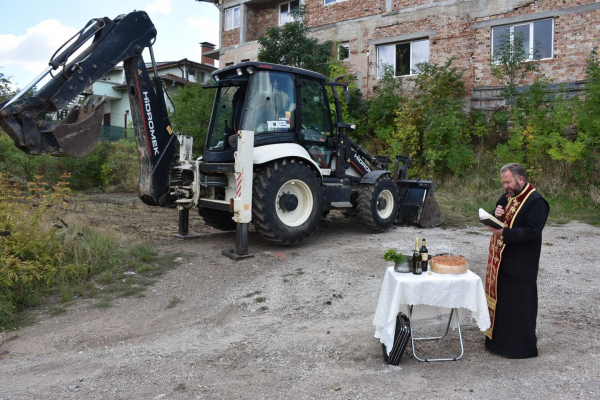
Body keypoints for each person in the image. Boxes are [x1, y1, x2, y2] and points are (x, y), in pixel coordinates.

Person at [484, 163, 550, 358]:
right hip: (502, 261)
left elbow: (532, 232)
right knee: (503, 303)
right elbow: (495, 212)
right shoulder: (508, 196)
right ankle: (497, 344)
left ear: (521, 179)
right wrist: (494, 214)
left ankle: (519, 349)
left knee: (519, 306)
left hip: (522, 264)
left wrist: (504, 232)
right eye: (504, 182)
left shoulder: (536, 202)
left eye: (508, 182)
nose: (505, 186)